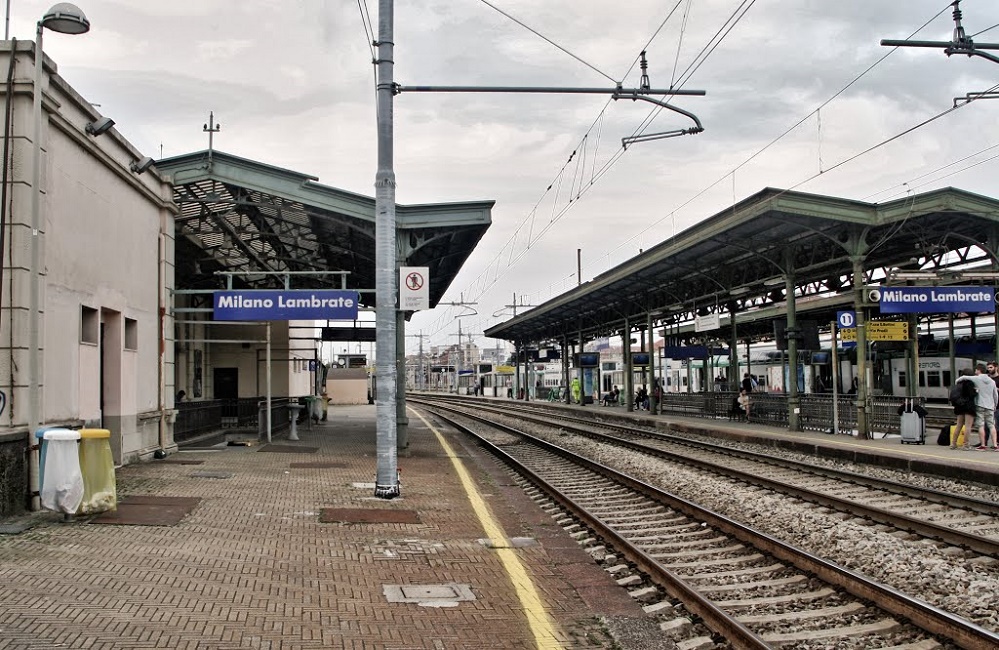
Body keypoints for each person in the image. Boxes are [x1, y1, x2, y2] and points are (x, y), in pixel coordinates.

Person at [968, 363, 999, 451]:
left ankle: (984, 445)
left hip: (982, 405)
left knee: (982, 425)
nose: (989, 369)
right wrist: (995, 405)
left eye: (991, 367)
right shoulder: (991, 381)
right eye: (988, 367)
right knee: (991, 425)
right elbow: (995, 395)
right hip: (991, 406)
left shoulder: (979, 379)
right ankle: (994, 445)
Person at [950, 368, 976, 449]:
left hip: (959, 407)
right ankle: (966, 444)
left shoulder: (957, 384)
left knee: (959, 425)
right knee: (968, 426)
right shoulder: (970, 384)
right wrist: (976, 392)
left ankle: (953, 443)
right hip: (968, 407)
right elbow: (971, 395)